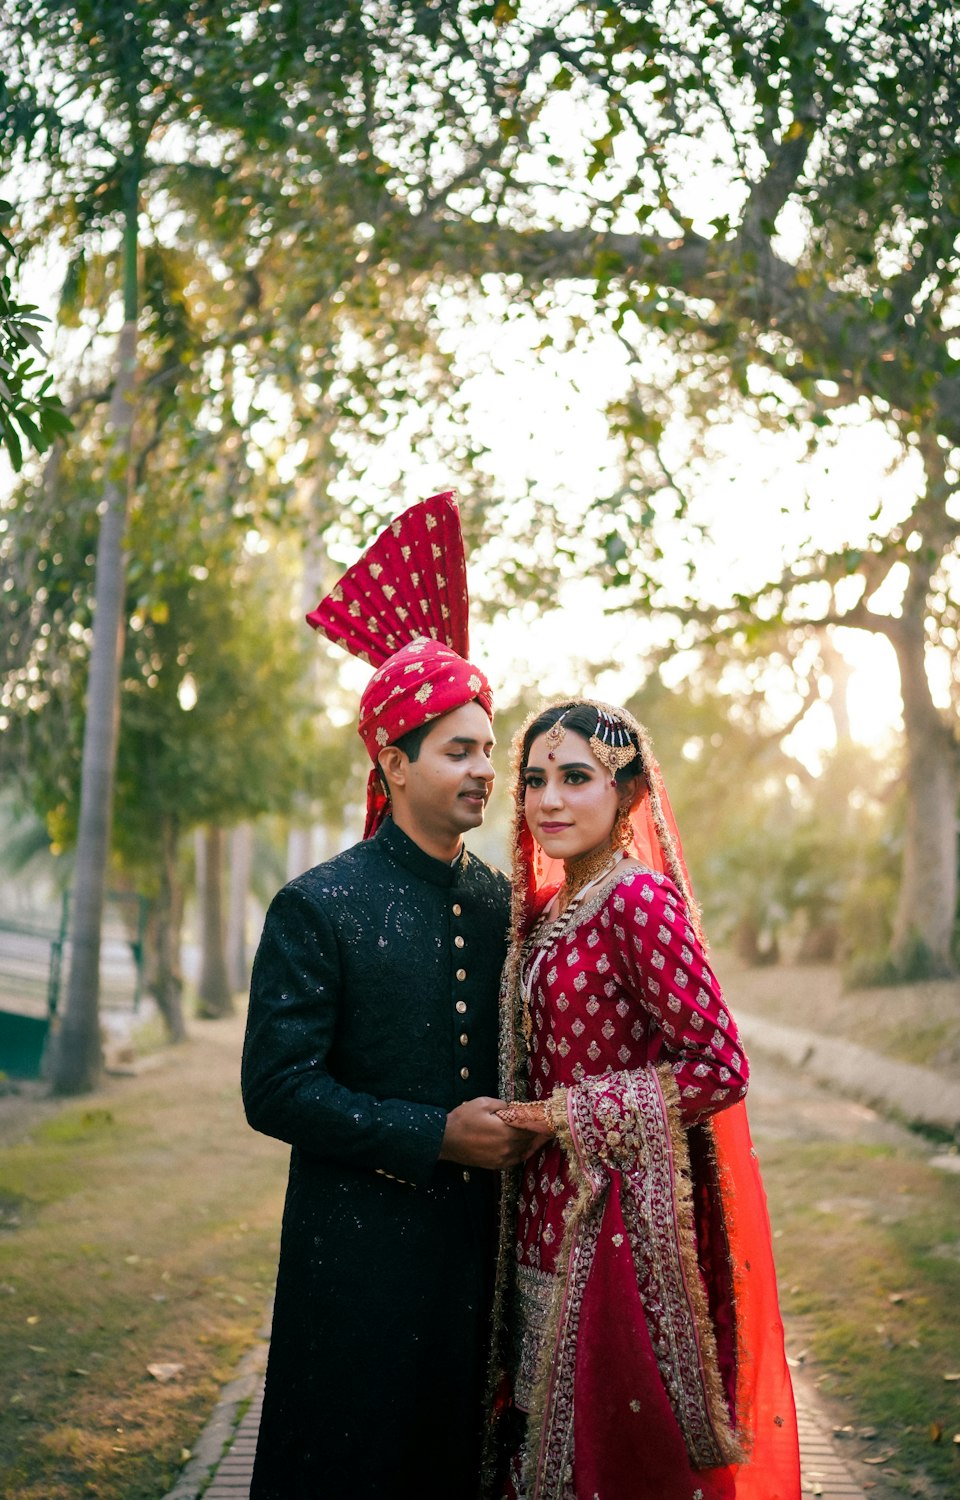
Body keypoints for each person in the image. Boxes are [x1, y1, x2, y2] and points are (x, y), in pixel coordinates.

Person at [242, 493, 538, 1499]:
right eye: (458, 751)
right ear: (393, 761)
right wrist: (434, 1135)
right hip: (352, 1262)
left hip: (477, 1263)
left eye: (489, 751)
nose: (484, 772)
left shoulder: (503, 905)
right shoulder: (317, 906)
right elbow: (275, 1090)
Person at [486, 699, 801, 1500]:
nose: (549, 799)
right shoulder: (555, 911)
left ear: (626, 795)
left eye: (576, 778)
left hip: (618, 1221)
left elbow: (721, 1064)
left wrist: (565, 1116)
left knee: (610, 1449)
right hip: (544, 1211)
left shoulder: (638, 902)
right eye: (534, 780)